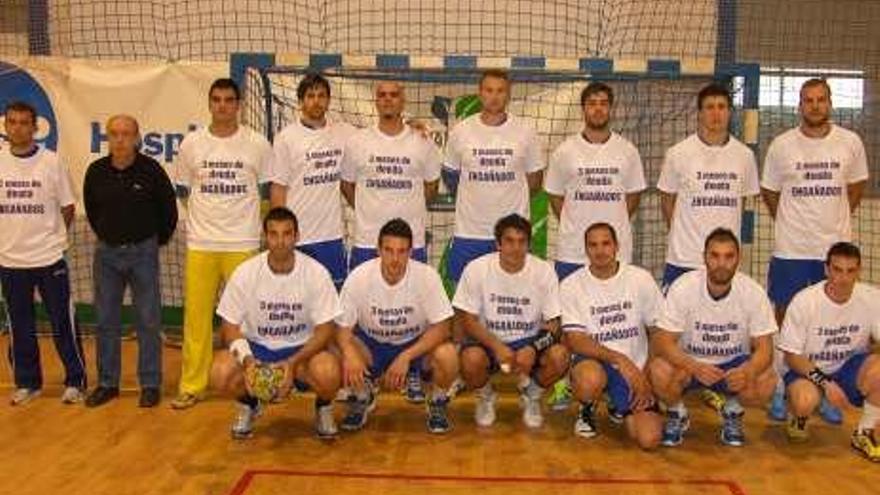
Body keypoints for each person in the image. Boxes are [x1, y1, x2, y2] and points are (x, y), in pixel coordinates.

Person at [761, 78, 869, 423]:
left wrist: (831, 226)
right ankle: (781, 387)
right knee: (785, 321)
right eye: (808, 100)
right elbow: (770, 193)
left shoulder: (850, 143)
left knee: (826, 324)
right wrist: (794, 223)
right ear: (800, 105)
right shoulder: (781, 145)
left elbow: (855, 188)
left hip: (831, 250)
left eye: (821, 99)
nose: (815, 106)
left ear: (830, 103)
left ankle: (821, 390)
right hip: (791, 250)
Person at [171, 78, 272, 409]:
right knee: (197, 318)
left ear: (239, 104)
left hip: (242, 242)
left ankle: (255, 380)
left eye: (229, 100)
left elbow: (267, 193)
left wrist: (249, 225)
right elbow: (184, 191)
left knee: (248, 319)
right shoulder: (191, 144)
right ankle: (192, 385)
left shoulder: (257, 144)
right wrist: (207, 220)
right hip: (202, 243)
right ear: (210, 103)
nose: (223, 105)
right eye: (217, 100)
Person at [210, 207, 342, 439]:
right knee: (220, 373)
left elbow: (326, 329)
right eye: (274, 234)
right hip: (258, 349)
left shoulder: (315, 273)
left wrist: (292, 364)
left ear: (297, 236)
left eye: (287, 234)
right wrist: (249, 362)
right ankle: (249, 404)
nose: (280, 241)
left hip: (301, 352)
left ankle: (323, 408)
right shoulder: (246, 272)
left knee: (329, 372)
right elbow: (229, 325)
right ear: (265, 237)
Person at [649, 228, 777, 447]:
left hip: (733, 365)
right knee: (658, 370)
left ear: (739, 258)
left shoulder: (753, 292)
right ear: (704, 257)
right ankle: (676, 412)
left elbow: (765, 349)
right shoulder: (683, 287)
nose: (721, 263)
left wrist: (748, 371)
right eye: (714, 255)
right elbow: (662, 341)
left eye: (729, 256)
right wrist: (691, 365)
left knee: (767, 380)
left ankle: (733, 410)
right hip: (691, 363)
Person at [83, 114, 177, 408]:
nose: (120, 139)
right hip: (107, 255)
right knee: (105, 320)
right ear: (107, 138)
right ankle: (108, 383)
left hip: (143, 253)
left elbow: (168, 211)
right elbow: (92, 208)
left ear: (137, 138)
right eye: (114, 134)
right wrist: (111, 236)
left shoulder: (151, 170)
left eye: (126, 134)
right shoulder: (96, 171)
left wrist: (152, 241)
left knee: (149, 321)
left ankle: (150, 384)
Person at [335, 218, 459, 433]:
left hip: (414, 345)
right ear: (378, 250)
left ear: (411, 252)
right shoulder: (359, 277)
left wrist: (406, 356)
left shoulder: (426, 277)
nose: (395, 258)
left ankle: (437, 401)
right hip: (372, 345)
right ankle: (362, 395)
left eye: (402, 251)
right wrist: (350, 354)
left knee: (448, 355)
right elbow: (342, 328)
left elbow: (443, 327)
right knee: (339, 351)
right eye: (389, 250)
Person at [0, 101, 86, 405]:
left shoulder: (52, 162)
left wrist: (51, 239)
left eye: (24, 122)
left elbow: (68, 206)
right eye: (12, 122)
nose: (18, 128)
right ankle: (28, 383)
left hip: (49, 258)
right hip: (10, 261)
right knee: (20, 325)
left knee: (63, 321)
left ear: (35, 128)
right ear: (5, 126)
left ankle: (76, 381)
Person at [454, 214, 568, 428]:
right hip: (489, 342)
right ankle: (486, 396)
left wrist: (533, 348)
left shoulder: (544, 271)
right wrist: (496, 346)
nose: (515, 248)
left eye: (521, 241)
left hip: (528, 341)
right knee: (469, 360)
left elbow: (554, 324)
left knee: (560, 357)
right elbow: (467, 320)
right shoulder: (477, 269)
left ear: (528, 245)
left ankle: (531, 395)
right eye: (509, 241)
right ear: (498, 244)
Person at [560, 222, 663, 449]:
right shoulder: (571, 285)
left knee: (649, 439)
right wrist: (619, 359)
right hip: (596, 361)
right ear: (586, 249)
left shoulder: (640, 278)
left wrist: (644, 373)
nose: (600, 250)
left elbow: (658, 331)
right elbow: (576, 340)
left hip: (636, 367)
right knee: (590, 379)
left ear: (617, 246)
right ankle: (587, 406)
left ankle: (619, 404)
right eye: (593, 245)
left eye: (606, 243)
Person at [778, 242, 880, 461]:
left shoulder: (872, 298)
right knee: (804, 401)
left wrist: (873, 355)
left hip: (848, 369)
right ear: (826, 269)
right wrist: (826, 383)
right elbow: (792, 357)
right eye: (837, 270)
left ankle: (864, 432)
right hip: (807, 369)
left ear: (859, 271)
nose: (843, 278)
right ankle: (798, 415)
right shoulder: (805, 301)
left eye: (850, 271)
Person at [443, 69, 545, 285]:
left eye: (500, 91)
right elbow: (451, 176)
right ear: (480, 93)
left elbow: (535, 181)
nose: (494, 96)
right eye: (489, 90)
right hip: (470, 232)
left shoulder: (526, 131)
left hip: (513, 236)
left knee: (513, 297)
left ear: (508, 95)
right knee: (465, 302)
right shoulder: (461, 131)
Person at [657, 83, 759, 291]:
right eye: (709, 107)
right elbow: (667, 201)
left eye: (721, 107)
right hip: (684, 257)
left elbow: (742, 201)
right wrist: (682, 234)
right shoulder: (678, 153)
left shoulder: (744, 156)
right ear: (700, 114)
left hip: (725, 262)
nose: (716, 113)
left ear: (729, 113)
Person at [545, 82, 646, 280]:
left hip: (616, 252)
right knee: (570, 309)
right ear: (583, 109)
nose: (598, 108)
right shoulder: (564, 151)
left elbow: (633, 196)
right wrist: (574, 220)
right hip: (573, 250)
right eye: (592, 103)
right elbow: (555, 196)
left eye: (603, 103)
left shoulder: (628, 150)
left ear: (611, 109)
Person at [340, 81, 441, 270]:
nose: (388, 99)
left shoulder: (422, 141)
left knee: (411, 298)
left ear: (403, 101)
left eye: (394, 95)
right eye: (382, 95)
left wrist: (412, 207)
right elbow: (346, 185)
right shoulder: (357, 142)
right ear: (376, 101)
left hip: (410, 243)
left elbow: (432, 186)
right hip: (367, 242)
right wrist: (365, 209)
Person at [269, 73, 352, 288]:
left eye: (321, 95)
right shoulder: (286, 138)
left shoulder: (343, 133)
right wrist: (280, 235)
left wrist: (410, 124)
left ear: (328, 100)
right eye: (310, 95)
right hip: (298, 237)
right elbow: (278, 188)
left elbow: (377, 135)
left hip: (331, 237)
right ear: (301, 101)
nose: (316, 101)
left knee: (333, 302)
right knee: (297, 302)